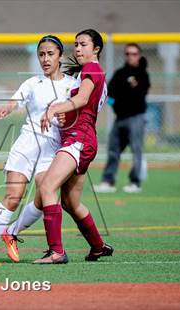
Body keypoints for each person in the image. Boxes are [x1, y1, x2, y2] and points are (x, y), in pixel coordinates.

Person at [0, 35, 78, 264]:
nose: (45, 59)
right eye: (41, 54)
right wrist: (7, 107)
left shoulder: (72, 85)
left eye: (50, 53)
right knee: (13, 196)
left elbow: (79, 112)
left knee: (45, 197)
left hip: (52, 150)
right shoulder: (32, 83)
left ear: (60, 56)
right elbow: (15, 101)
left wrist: (67, 116)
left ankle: (11, 232)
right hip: (26, 146)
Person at [33, 29, 113, 264]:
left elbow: (82, 99)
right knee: (70, 202)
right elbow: (83, 108)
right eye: (76, 45)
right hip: (83, 139)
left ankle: (56, 251)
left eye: (83, 44)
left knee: (47, 186)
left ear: (96, 49)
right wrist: (65, 116)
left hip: (78, 140)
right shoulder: (92, 72)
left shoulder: (91, 68)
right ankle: (98, 247)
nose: (78, 49)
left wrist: (54, 108)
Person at [95, 43, 150, 193]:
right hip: (120, 118)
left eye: (133, 54)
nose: (130, 56)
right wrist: (115, 105)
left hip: (136, 118)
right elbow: (110, 93)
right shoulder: (120, 73)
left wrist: (125, 95)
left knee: (136, 150)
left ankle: (135, 182)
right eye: (127, 53)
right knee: (113, 150)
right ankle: (108, 181)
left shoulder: (142, 74)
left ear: (139, 55)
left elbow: (140, 94)